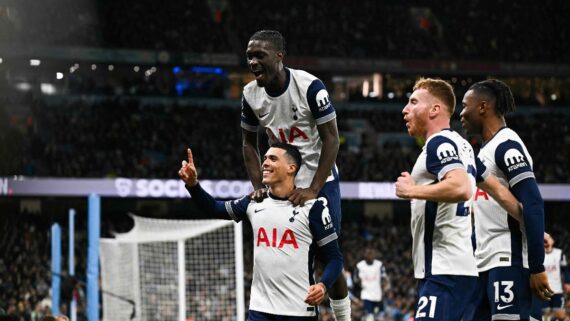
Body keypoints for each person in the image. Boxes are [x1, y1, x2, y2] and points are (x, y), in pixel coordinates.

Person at [240, 30, 350, 320]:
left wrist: (313, 188)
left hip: (320, 182)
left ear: (279, 56)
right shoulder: (250, 94)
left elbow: (332, 140)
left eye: (259, 55)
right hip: (282, 186)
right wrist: (258, 186)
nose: (252, 61)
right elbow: (248, 144)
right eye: (249, 56)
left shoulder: (310, 87)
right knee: (283, 258)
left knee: (329, 257)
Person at [178, 143, 344, 321]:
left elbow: (334, 259)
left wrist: (322, 285)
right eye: (264, 158)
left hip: (299, 311)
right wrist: (193, 185)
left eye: (273, 158)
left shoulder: (313, 208)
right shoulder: (254, 202)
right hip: (260, 309)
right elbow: (214, 209)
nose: (265, 163)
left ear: (291, 168)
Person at [460, 78, 553, 321]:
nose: (461, 113)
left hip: (508, 259)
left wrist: (537, 266)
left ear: (482, 107)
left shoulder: (507, 146)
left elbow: (533, 203)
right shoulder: (486, 151)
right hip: (484, 262)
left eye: (464, 105)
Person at [395, 78, 478, 321]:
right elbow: (491, 189)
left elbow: (461, 187)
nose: (405, 109)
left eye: (413, 102)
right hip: (460, 270)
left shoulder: (439, 143)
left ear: (434, 110)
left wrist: (411, 191)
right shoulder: (463, 146)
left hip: (444, 271)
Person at [530, 233, 570, 321]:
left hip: (557, 290)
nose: (547, 241)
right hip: (544, 290)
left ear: (553, 241)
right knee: (545, 314)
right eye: (544, 239)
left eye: (549, 238)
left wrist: (567, 282)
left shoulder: (559, 253)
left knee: (559, 314)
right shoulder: (539, 255)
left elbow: (565, 269)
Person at [353, 248, 390, 321]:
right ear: (364, 255)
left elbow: (385, 278)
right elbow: (355, 279)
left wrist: (385, 289)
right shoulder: (359, 266)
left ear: (374, 255)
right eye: (367, 253)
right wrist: (360, 284)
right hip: (366, 295)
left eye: (371, 254)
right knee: (369, 317)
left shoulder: (379, 265)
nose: (369, 255)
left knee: (380, 317)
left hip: (378, 295)